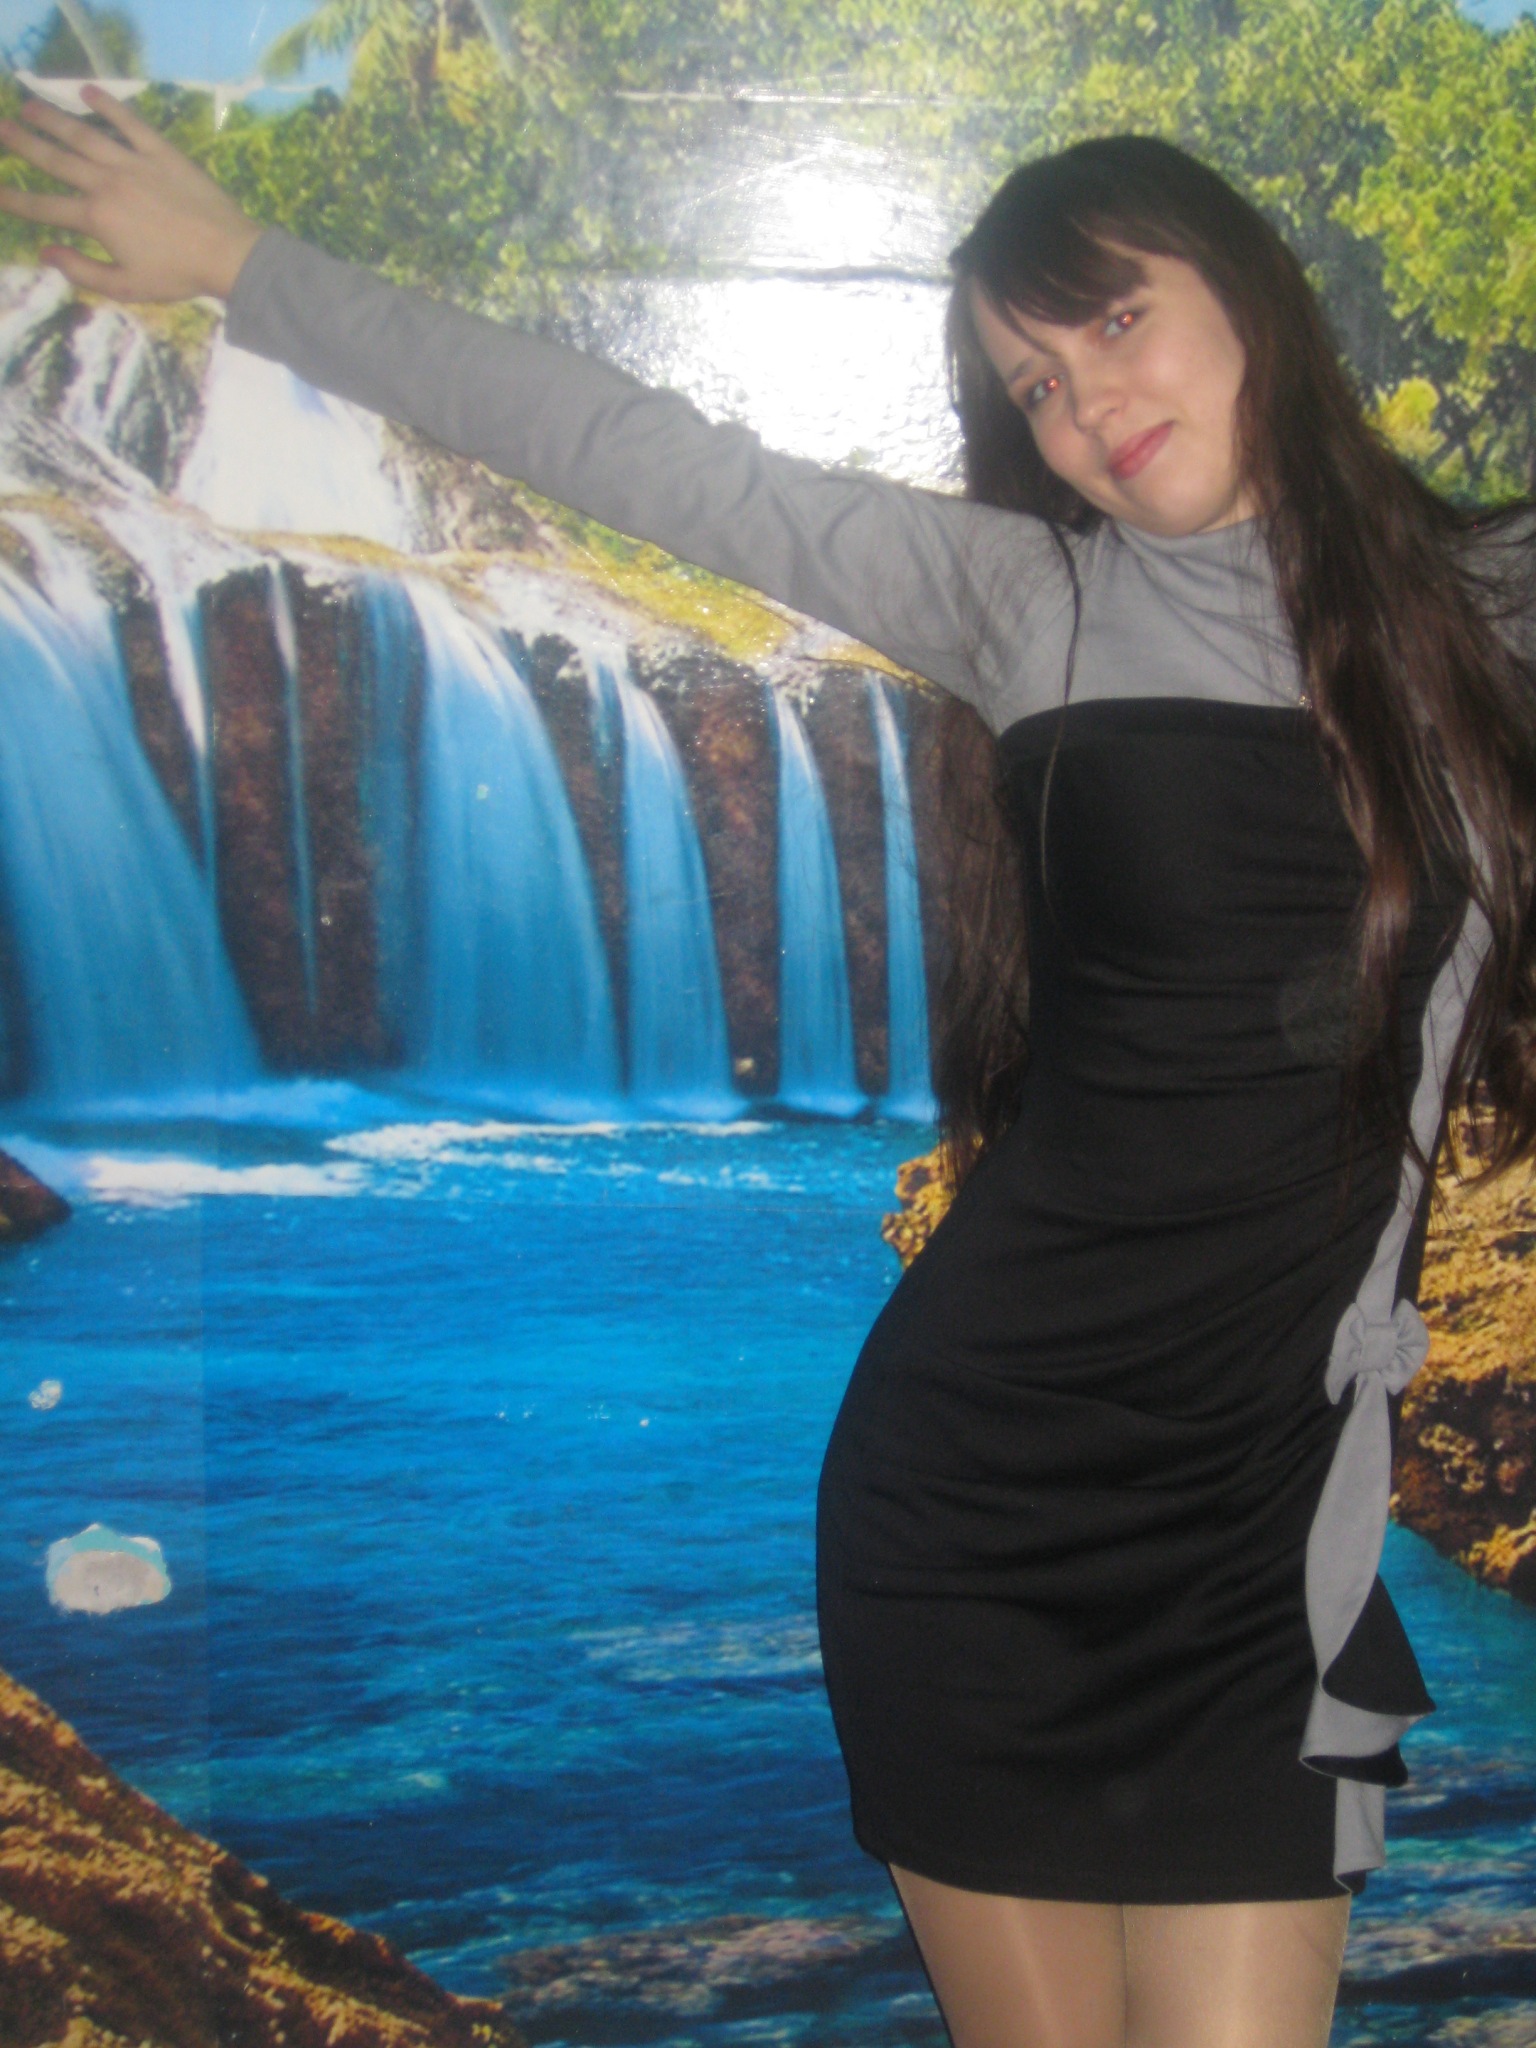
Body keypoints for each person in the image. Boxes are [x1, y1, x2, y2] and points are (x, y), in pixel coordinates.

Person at [2, 90, 1533, 2048]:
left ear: (1249, 294)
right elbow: (628, 447)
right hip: (981, 1493)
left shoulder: (1488, 609)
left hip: (1261, 1518)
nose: (1088, 403)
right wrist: (241, 263)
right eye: (1034, 382)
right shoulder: (1029, 596)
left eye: (1114, 320)